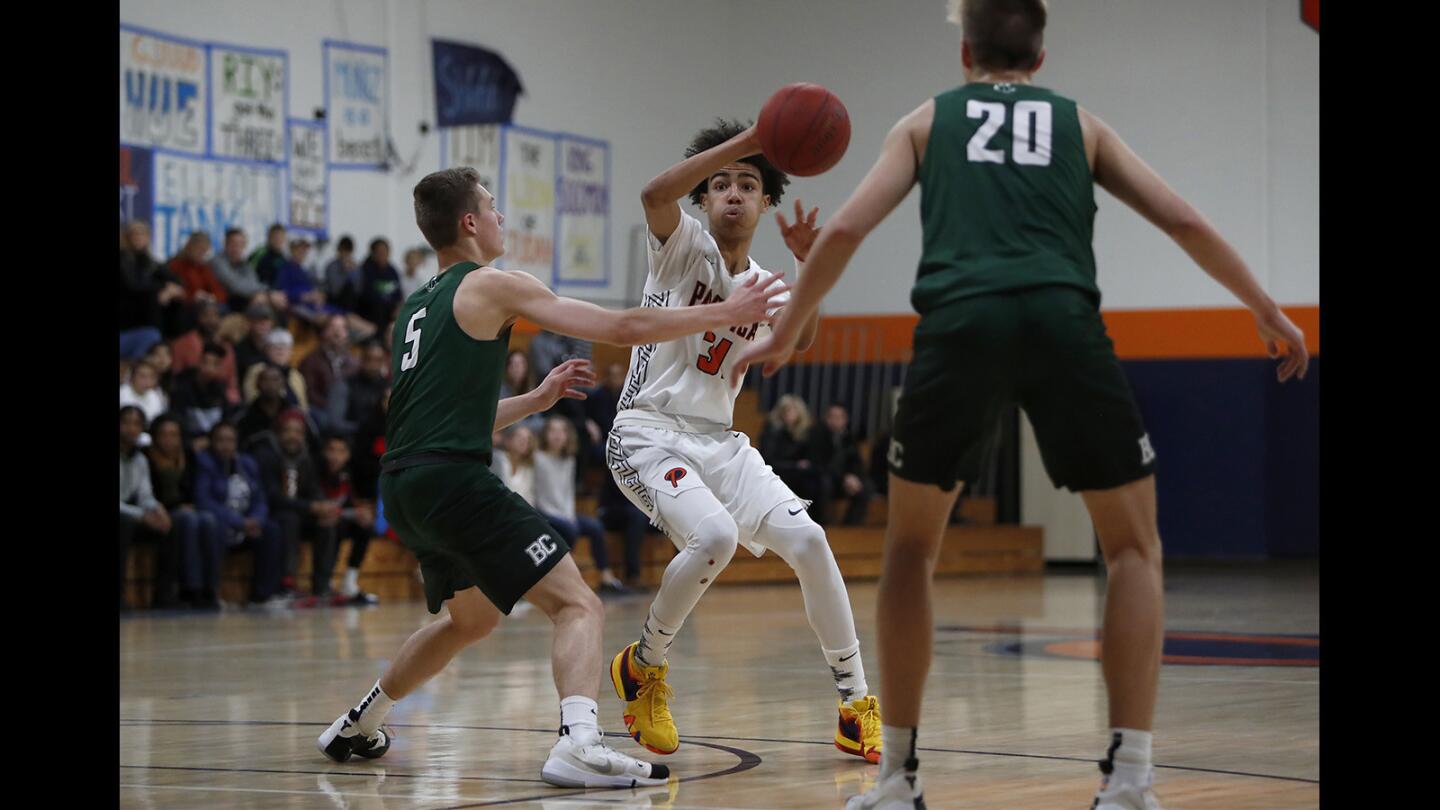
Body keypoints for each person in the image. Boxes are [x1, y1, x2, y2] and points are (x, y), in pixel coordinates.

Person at [734, 3, 1310, 807]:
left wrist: (787, 335)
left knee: (909, 553)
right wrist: (1264, 307)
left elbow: (844, 235)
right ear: (1040, 55)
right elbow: (1181, 216)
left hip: (960, 325)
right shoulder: (1082, 127)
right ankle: (1132, 780)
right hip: (1062, 324)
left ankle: (898, 778)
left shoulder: (928, 122)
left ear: (966, 49)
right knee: (1136, 551)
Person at [316, 166, 784, 788]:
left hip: (404, 484)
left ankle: (359, 721)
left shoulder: (414, 308)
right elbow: (621, 329)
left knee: (471, 620)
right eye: (492, 206)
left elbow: (443, 418)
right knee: (578, 604)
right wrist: (731, 308)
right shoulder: (494, 285)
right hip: (454, 482)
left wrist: (535, 402)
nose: (502, 216)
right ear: (470, 223)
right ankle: (578, 743)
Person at [602, 119, 883, 764]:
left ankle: (854, 703)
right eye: (720, 183)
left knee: (811, 542)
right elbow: (652, 194)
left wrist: (810, 263)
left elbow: (803, 340)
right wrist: (751, 139)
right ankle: (645, 667)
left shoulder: (766, 281)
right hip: (647, 433)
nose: (733, 192)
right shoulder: (681, 246)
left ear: (766, 202)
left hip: (720, 442)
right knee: (718, 539)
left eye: (748, 183)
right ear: (703, 196)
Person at [194, 421, 285, 606]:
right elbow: (203, 500)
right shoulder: (205, 462)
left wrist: (256, 520)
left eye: (230, 440)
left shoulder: (247, 464)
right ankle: (211, 592)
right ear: (212, 442)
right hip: (223, 523)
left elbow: (260, 498)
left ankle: (262, 595)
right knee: (213, 525)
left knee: (272, 530)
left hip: (246, 525)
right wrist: (238, 521)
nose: (225, 445)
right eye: (220, 440)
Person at [534, 416, 627, 594]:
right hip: (544, 512)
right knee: (569, 529)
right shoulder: (538, 458)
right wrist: (565, 519)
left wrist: (569, 516)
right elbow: (540, 497)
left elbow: (567, 493)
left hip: (564, 513)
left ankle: (606, 577)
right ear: (545, 434)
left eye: (562, 431)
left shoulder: (569, 460)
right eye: (552, 431)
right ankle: (565, 578)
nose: (557, 436)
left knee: (595, 527)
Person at [146, 415, 226, 609]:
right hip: (160, 511)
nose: (169, 440)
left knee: (208, 520)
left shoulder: (188, 456)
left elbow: (194, 489)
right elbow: (148, 494)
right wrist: (175, 506)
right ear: (155, 436)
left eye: (174, 435)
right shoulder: (147, 457)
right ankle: (191, 588)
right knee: (188, 520)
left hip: (188, 508)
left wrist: (189, 504)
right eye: (164, 435)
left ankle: (211, 588)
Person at [119, 406, 178, 609]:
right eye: (126, 422)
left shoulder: (140, 459)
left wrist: (158, 510)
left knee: (168, 526)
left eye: (136, 424)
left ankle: (164, 595)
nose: (130, 428)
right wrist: (141, 515)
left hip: (130, 515)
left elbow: (145, 495)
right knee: (124, 524)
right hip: (125, 517)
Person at [318, 435, 380, 606]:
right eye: (331, 450)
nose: (335, 456)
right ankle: (326, 581)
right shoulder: (316, 471)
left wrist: (360, 513)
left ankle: (349, 581)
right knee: (335, 525)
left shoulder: (348, 474)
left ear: (348, 455)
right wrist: (352, 513)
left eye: (341, 451)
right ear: (323, 452)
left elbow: (348, 504)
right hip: (315, 523)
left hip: (338, 518)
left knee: (365, 527)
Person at [758, 394, 827, 521]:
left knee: (818, 482)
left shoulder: (806, 432)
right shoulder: (772, 431)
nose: (789, 414)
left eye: (793, 410)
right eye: (786, 411)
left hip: (798, 473)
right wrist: (794, 466)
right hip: (778, 472)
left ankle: (815, 522)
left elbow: (812, 458)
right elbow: (768, 459)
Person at [816, 403, 875, 526]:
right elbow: (820, 464)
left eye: (840, 417)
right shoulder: (818, 436)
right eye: (833, 416)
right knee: (823, 484)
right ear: (827, 419)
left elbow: (857, 463)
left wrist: (854, 477)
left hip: (845, 481)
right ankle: (822, 524)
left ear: (845, 419)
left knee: (866, 486)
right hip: (827, 479)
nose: (836, 420)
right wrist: (844, 477)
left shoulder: (849, 438)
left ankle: (850, 526)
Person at [120, 360, 168, 426]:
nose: (147, 381)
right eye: (142, 376)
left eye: (151, 377)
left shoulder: (155, 395)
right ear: (131, 377)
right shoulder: (122, 393)